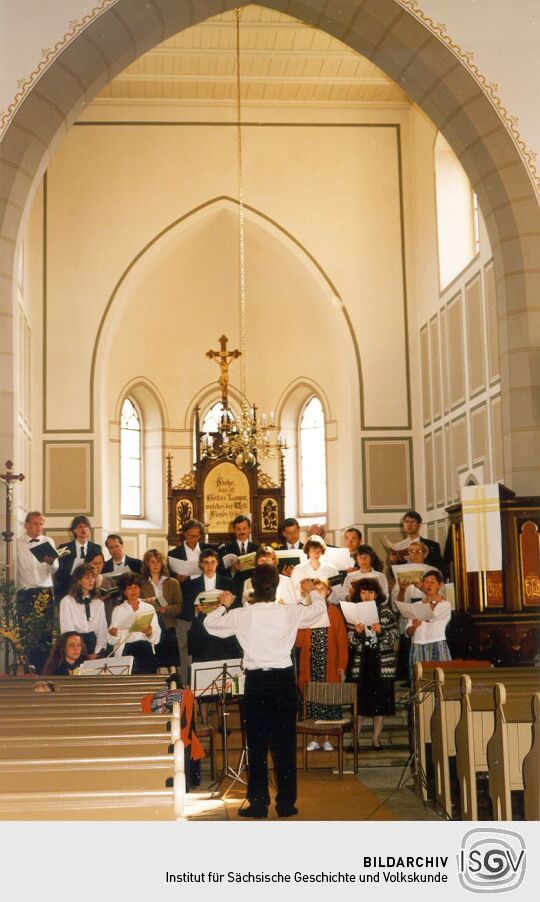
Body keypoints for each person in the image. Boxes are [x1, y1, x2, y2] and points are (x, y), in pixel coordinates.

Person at [204, 563, 326, 819]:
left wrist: (224, 603)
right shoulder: (289, 612)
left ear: (253, 587)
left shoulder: (242, 614)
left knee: (256, 746)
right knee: (286, 745)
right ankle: (286, 805)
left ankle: (259, 804)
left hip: (257, 683)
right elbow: (318, 610)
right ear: (276, 586)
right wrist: (310, 590)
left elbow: (210, 624)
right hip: (283, 681)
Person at [295, 579, 348, 751]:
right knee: (311, 701)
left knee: (328, 700)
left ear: (328, 592)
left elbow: (341, 640)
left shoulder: (333, 612)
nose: (318, 591)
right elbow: (298, 643)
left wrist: (342, 664)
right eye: (315, 589)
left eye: (322, 589)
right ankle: (313, 738)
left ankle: (327, 738)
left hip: (329, 663)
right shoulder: (306, 611)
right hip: (310, 662)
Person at [347, 577, 398, 749]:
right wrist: (358, 633)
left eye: (370, 592)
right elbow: (351, 642)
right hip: (362, 664)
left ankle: (376, 739)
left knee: (380, 705)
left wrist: (381, 631)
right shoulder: (353, 613)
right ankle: (355, 739)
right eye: (363, 592)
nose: (366, 596)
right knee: (359, 705)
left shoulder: (385, 612)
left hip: (381, 664)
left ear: (376, 594)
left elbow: (394, 637)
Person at [16, 510, 58, 672]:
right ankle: (30, 668)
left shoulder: (48, 541)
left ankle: (45, 669)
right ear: (26, 525)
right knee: (28, 632)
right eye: (35, 523)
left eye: (41, 524)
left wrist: (51, 562)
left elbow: (54, 569)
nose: (39, 527)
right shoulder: (18, 543)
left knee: (46, 633)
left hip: (45, 592)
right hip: (26, 593)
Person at [405, 569, 452, 683]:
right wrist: (414, 627)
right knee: (418, 682)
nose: (429, 585)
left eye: (432, 582)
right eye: (426, 582)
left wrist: (429, 603)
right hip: (418, 646)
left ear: (439, 585)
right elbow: (408, 632)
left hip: (437, 644)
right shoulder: (416, 605)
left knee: (439, 681)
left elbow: (430, 617)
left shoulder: (445, 605)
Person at [108, 572, 161, 673]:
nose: (133, 590)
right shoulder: (118, 610)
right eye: (129, 588)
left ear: (140, 588)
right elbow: (112, 641)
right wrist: (113, 634)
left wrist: (150, 633)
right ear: (124, 591)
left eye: (136, 587)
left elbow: (157, 637)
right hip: (126, 651)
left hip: (145, 650)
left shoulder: (149, 608)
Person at [140, 549, 182, 670]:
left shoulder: (173, 582)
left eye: (158, 562)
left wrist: (167, 609)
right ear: (147, 564)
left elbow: (179, 606)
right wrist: (147, 603)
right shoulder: (141, 584)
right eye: (152, 562)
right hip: (150, 626)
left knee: (171, 664)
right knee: (155, 664)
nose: (156, 565)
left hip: (168, 626)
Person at [59, 563, 108, 657]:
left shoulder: (98, 603)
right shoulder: (67, 602)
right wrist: (81, 653)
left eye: (93, 577)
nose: (91, 581)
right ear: (78, 581)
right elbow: (67, 631)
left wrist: (96, 653)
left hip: (94, 647)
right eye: (87, 578)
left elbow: (102, 631)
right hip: (76, 647)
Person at [55, 515, 102, 600]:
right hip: (68, 592)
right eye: (80, 527)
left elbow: (99, 570)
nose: (84, 529)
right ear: (74, 530)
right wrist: (59, 598)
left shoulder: (96, 548)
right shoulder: (64, 548)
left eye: (86, 527)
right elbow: (59, 575)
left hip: (90, 593)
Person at [218, 515, 258, 594]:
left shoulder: (257, 549)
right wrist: (232, 570)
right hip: (233, 589)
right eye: (238, 529)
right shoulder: (225, 550)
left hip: (253, 588)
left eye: (244, 528)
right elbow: (220, 574)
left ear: (249, 529)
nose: (242, 532)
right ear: (234, 530)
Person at [168, 519, 214, 583]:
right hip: (185, 588)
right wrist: (176, 576)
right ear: (185, 534)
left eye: (196, 536)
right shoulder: (173, 553)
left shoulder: (208, 549)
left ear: (200, 536)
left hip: (205, 585)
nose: (193, 539)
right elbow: (168, 572)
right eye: (191, 536)